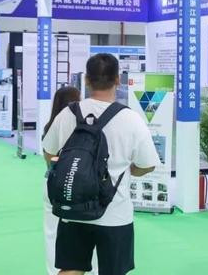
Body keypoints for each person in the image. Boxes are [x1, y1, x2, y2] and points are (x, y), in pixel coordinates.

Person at [42, 54, 160, 275]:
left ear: (87, 80)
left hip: (73, 208)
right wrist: (130, 170)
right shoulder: (131, 119)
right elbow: (148, 164)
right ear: (117, 80)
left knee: (70, 268)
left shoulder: (68, 114)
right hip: (115, 212)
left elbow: (49, 154)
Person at [42, 86, 98, 275]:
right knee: (88, 229)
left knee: (52, 232)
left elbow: (48, 156)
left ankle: (54, 271)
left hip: (54, 185)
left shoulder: (51, 125)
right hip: (82, 185)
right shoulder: (87, 126)